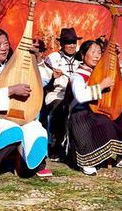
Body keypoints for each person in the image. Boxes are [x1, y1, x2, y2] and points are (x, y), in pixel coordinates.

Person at [0, 28, 52, 187]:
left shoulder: (18, 66)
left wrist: (37, 59)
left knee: (37, 129)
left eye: (6, 43)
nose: (4, 47)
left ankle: (29, 166)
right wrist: (10, 90)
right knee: (12, 132)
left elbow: (43, 82)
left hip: (19, 111)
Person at [67, 40, 122, 175]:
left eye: (99, 52)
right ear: (83, 55)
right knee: (103, 121)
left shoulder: (104, 72)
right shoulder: (77, 75)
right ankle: (88, 161)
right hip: (82, 114)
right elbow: (80, 96)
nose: (97, 56)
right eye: (93, 52)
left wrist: (115, 58)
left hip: (102, 110)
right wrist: (101, 86)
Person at [42, 27, 82, 160]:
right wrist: (53, 77)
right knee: (61, 108)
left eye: (73, 42)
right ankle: (56, 146)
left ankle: (78, 147)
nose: (71, 45)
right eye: (68, 42)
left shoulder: (80, 58)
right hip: (57, 93)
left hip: (77, 94)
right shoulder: (52, 58)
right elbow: (44, 83)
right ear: (62, 44)